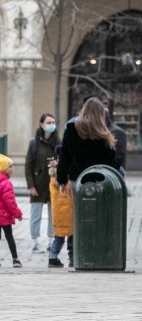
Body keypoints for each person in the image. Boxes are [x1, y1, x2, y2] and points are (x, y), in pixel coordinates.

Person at [53, 98, 120, 267]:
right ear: (100, 114)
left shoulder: (71, 129)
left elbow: (65, 158)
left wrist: (62, 180)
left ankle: (74, 256)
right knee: (98, 218)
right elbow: (111, 162)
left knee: (78, 218)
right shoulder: (104, 135)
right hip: (100, 183)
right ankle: (97, 254)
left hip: (78, 181)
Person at [24, 113, 59, 252]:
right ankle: (35, 241)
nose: (51, 125)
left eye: (53, 122)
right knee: (35, 215)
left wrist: (58, 163)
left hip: (53, 184)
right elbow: (28, 166)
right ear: (41, 124)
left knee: (53, 215)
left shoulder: (58, 142)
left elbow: (64, 161)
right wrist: (31, 185)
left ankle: (51, 241)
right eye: (48, 122)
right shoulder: (34, 143)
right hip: (38, 184)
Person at [47, 157, 73, 268]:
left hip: (58, 211)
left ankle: (52, 257)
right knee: (72, 235)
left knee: (59, 236)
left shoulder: (52, 177)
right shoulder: (65, 178)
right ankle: (73, 259)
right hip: (69, 211)